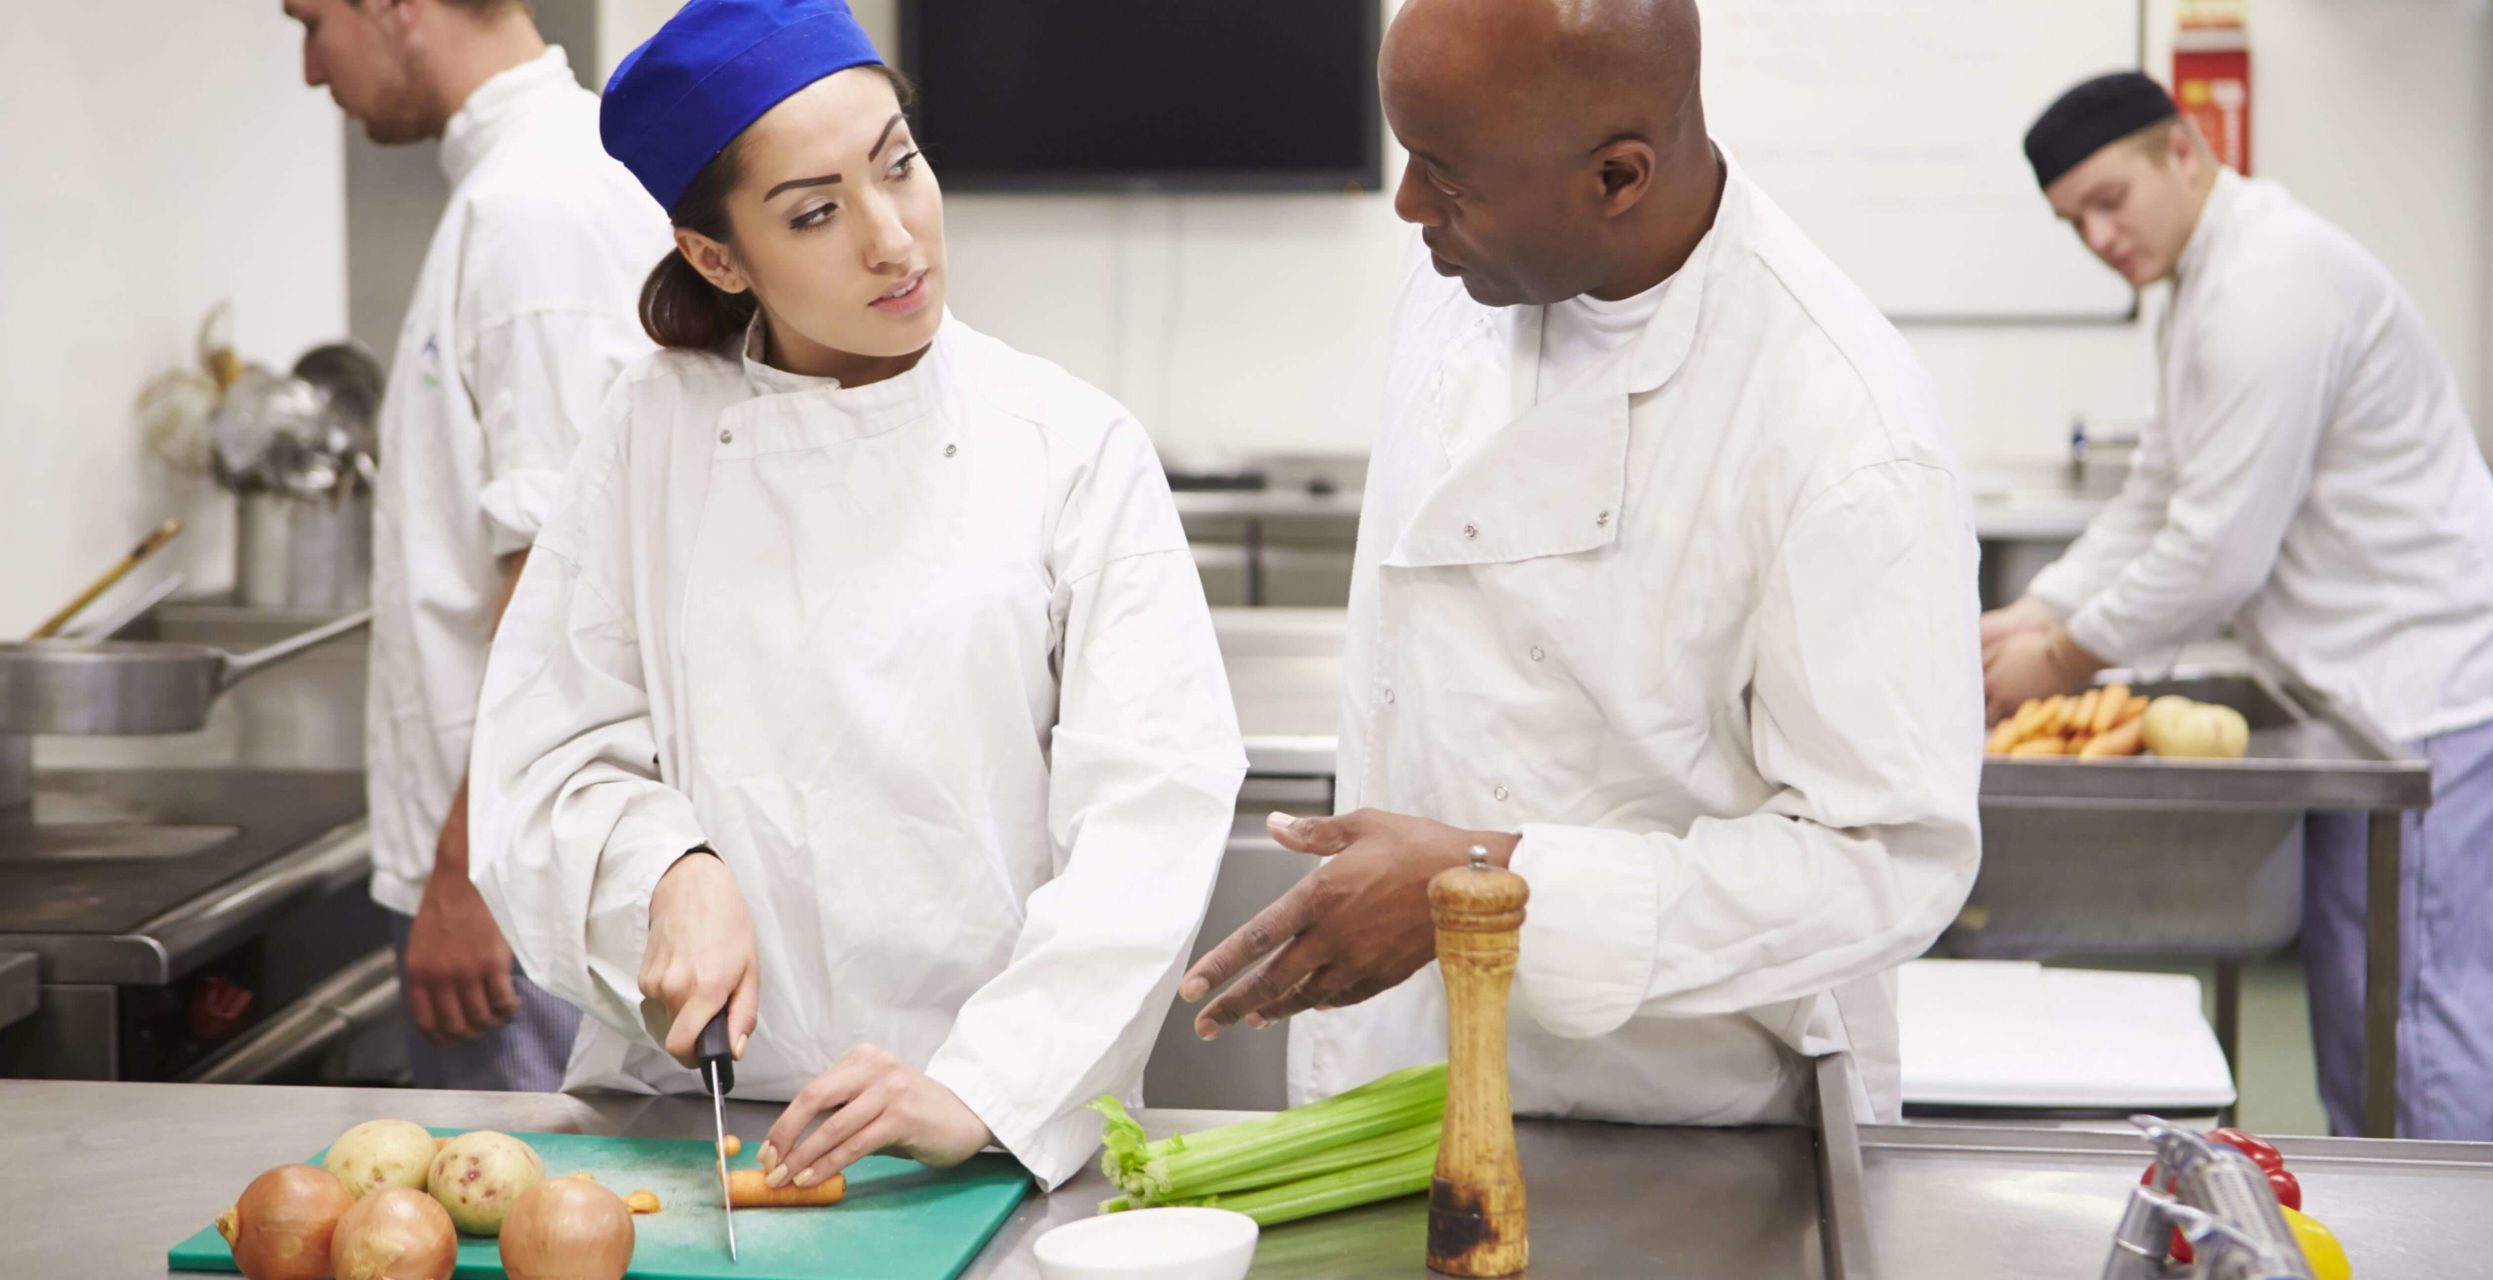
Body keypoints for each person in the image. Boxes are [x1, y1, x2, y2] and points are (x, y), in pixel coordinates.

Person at [468, 0, 1244, 1190]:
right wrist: (662, 871)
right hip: (695, 1132)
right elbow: (547, 761)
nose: (895, 239)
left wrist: (983, 1086)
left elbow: (1152, 808)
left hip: (984, 1136)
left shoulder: (1067, 446)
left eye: (901, 165)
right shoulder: (648, 434)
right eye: (817, 212)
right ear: (717, 256)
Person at [1179, 0, 1982, 1125]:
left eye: (1444, 178)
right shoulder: (1468, 272)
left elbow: (1886, 864)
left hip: (1677, 1120)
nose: (1406, 205)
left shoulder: (1843, 428)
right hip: (1412, 1071)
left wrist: (1484, 886)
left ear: (1617, 178)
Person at [1982, 72, 2493, 1140]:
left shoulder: (2267, 284)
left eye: (2110, 199)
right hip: (2373, 682)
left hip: (2445, 681)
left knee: (2414, 1026)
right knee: (2363, 1011)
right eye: (2074, 222)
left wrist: (2058, 659)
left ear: (2183, 152)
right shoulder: (2202, 284)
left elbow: (2216, 554)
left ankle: (2428, 1251)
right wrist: (2029, 613)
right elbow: (2160, 487)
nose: (2099, 236)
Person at [281, 0, 665, 1089]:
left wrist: (466, 874)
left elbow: (558, 580)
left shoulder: (532, 209)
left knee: (529, 1236)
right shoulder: (527, 186)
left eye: (312, 22)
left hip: (517, 884)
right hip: (512, 860)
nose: (312, 68)